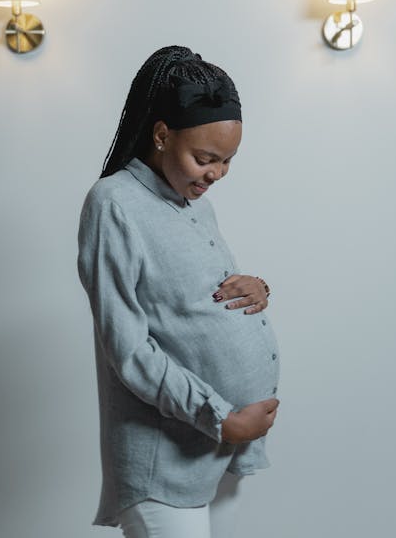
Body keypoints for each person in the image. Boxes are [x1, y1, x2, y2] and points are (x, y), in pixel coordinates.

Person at [77, 45, 280, 537]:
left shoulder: (193, 202)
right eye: (205, 158)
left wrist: (258, 288)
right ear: (162, 134)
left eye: (227, 161)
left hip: (217, 451)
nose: (216, 174)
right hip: (165, 459)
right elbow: (128, 351)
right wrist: (220, 417)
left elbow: (199, 299)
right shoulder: (114, 204)